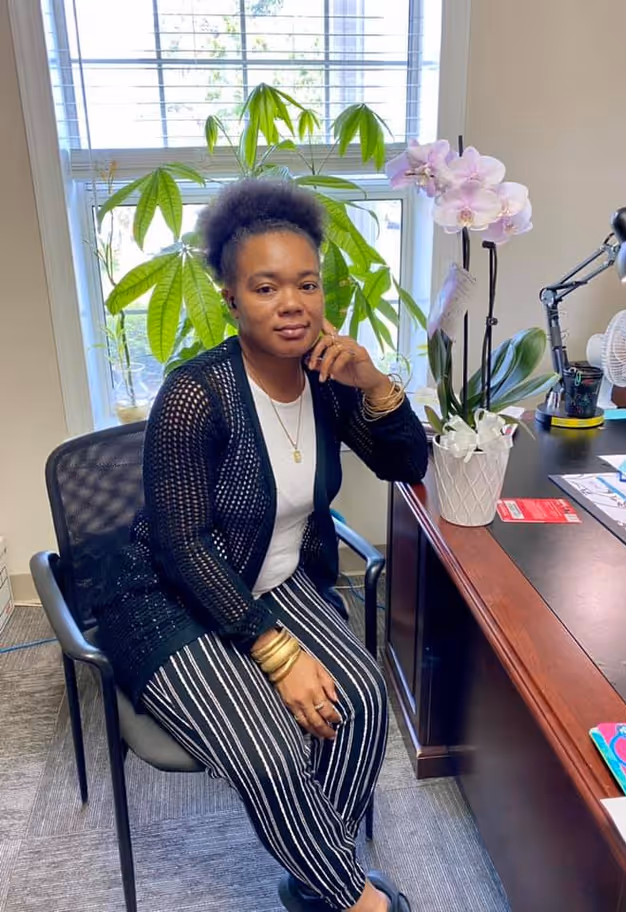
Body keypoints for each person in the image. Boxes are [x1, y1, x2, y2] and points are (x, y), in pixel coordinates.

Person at [97, 179, 428, 912]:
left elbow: (408, 464)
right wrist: (277, 654)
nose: (291, 303)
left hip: (272, 579)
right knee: (273, 752)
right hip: (168, 598)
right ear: (231, 298)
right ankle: (356, 899)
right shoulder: (195, 394)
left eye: (306, 284)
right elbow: (183, 548)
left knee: (363, 701)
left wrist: (375, 383)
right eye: (266, 286)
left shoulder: (330, 377)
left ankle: (313, 882)